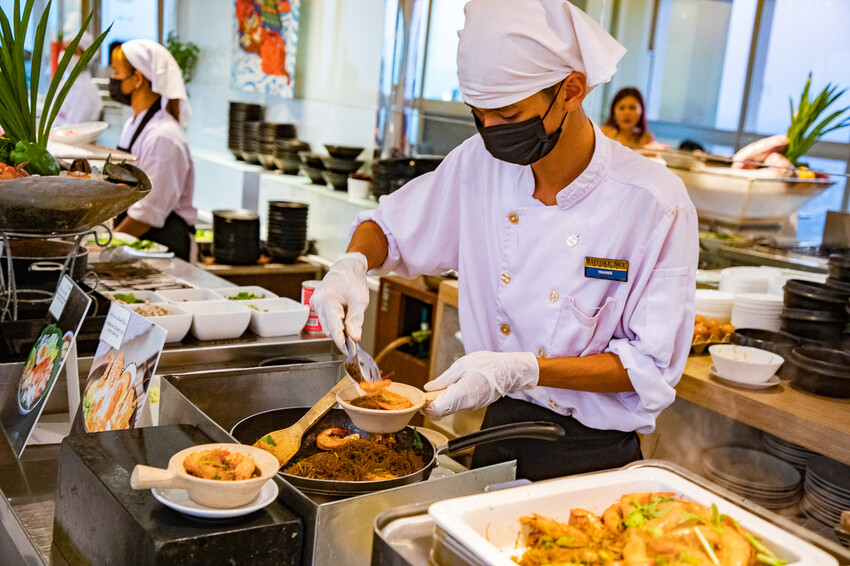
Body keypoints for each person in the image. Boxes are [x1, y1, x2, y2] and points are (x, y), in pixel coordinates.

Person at [310, 0, 697, 481]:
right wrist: (352, 265)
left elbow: (649, 366)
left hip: (593, 459)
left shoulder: (653, 202)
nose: (491, 132)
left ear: (571, 90)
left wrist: (524, 369)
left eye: (508, 113)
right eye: (479, 114)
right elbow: (389, 227)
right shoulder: (478, 165)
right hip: (497, 434)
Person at [109, 39, 197, 261]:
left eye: (116, 73)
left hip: (162, 245)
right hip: (137, 241)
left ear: (137, 79)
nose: (112, 80)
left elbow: (147, 214)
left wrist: (105, 247)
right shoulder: (135, 124)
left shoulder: (163, 136)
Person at [53, 32, 103, 127]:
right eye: (64, 49)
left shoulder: (86, 90)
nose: (65, 55)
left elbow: (73, 130)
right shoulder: (64, 83)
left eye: (72, 51)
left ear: (85, 57)